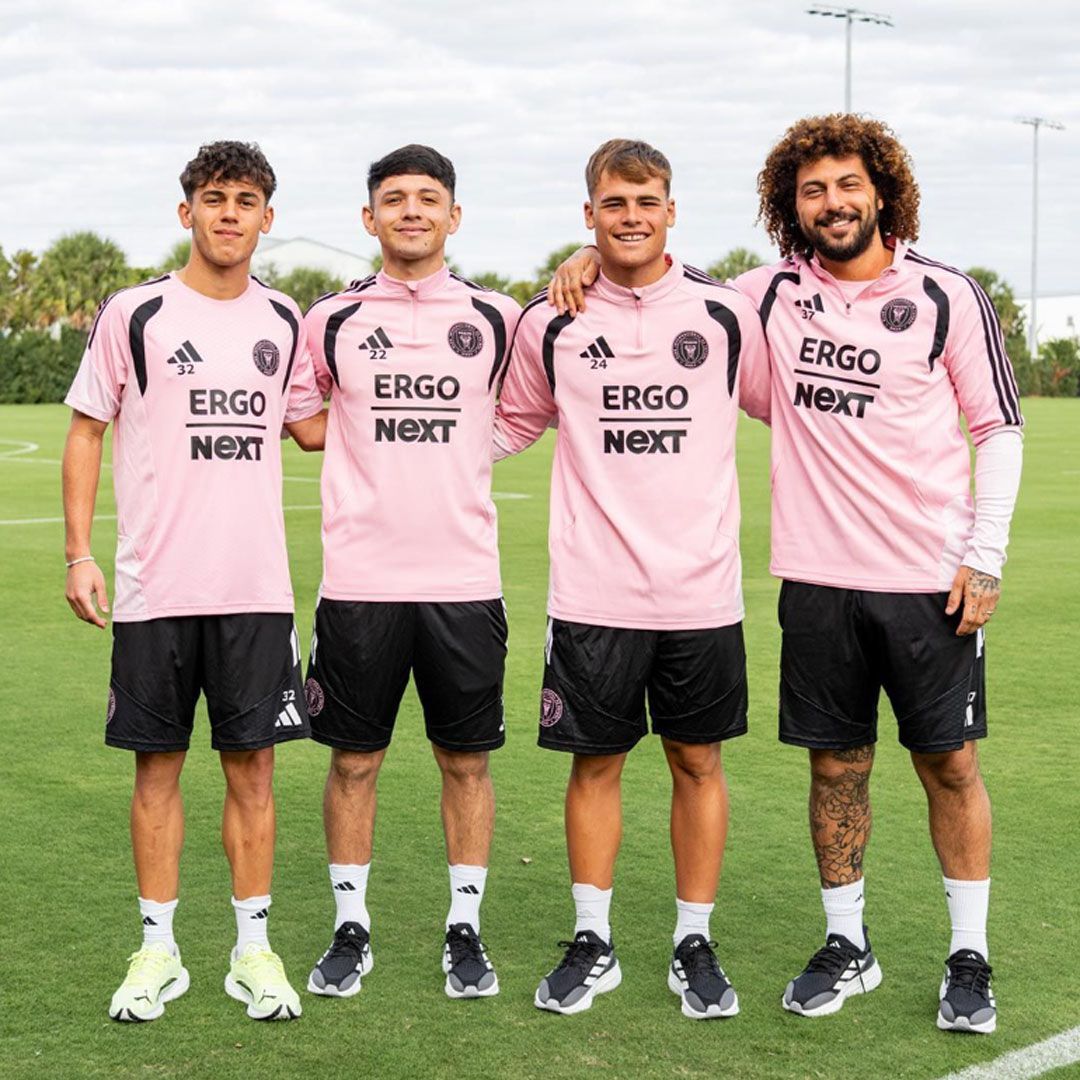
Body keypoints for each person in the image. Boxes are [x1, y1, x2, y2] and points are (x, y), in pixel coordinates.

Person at [548, 115, 1022, 1034]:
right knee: (836, 769)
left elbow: (997, 427)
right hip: (814, 581)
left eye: (847, 186)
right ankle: (850, 942)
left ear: (881, 191)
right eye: (812, 190)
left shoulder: (946, 296)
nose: (833, 204)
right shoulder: (761, 299)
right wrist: (587, 252)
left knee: (951, 766)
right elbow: (654, 271)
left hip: (931, 578)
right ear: (789, 205)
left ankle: (970, 953)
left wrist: (985, 555)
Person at [495, 139, 769, 1019]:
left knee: (697, 761)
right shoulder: (552, 319)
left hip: (701, 592)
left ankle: (694, 939)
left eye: (647, 200)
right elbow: (505, 427)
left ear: (672, 209)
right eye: (614, 203)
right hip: (593, 593)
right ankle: (594, 940)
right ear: (590, 215)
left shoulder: (728, 315)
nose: (631, 216)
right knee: (596, 765)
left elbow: (794, 392)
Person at [63, 140, 325, 1023]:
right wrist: (79, 553)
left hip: (254, 592)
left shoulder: (286, 319)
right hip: (154, 591)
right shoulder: (134, 314)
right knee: (157, 772)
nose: (228, 214)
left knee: (253, 773)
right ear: (187, 212)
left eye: (246, 200)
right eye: (214, 198)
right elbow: (87, 429)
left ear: (267, 219)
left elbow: (319, 426)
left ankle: (254, 950)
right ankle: (159, 950)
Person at [301, 145, 520, 1002]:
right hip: (359, 583)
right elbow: (304, 418)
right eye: (394, 199)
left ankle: (463, 927)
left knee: (465, 762)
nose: (412, 211)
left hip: (465, 583)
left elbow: (529, 408)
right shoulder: (331, 319)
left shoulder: (499, 316)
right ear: (370, 219)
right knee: (354, 762)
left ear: (454, 217)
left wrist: (467, 454)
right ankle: (350, 925)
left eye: (429, 198)